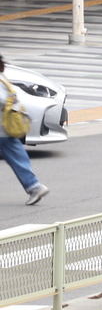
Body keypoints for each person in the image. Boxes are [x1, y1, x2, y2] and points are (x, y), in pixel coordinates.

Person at [0, 55, 49, 205]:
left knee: (16, 155)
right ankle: (33, 186)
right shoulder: (3, 79)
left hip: (3, 127)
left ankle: (34, 186)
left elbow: (2, 100)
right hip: (6, 127)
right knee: (17, 156)